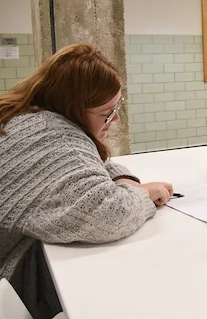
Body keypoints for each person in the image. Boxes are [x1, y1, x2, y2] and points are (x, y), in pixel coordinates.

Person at [0, 43, 173, 318]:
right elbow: (109, 214)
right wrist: (144, 194)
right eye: (107, 113)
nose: (114, 119)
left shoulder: (29, 115)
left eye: (118, 107)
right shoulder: (57, 142)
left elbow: (89, 163)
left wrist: (125, 179)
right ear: (74, 107)